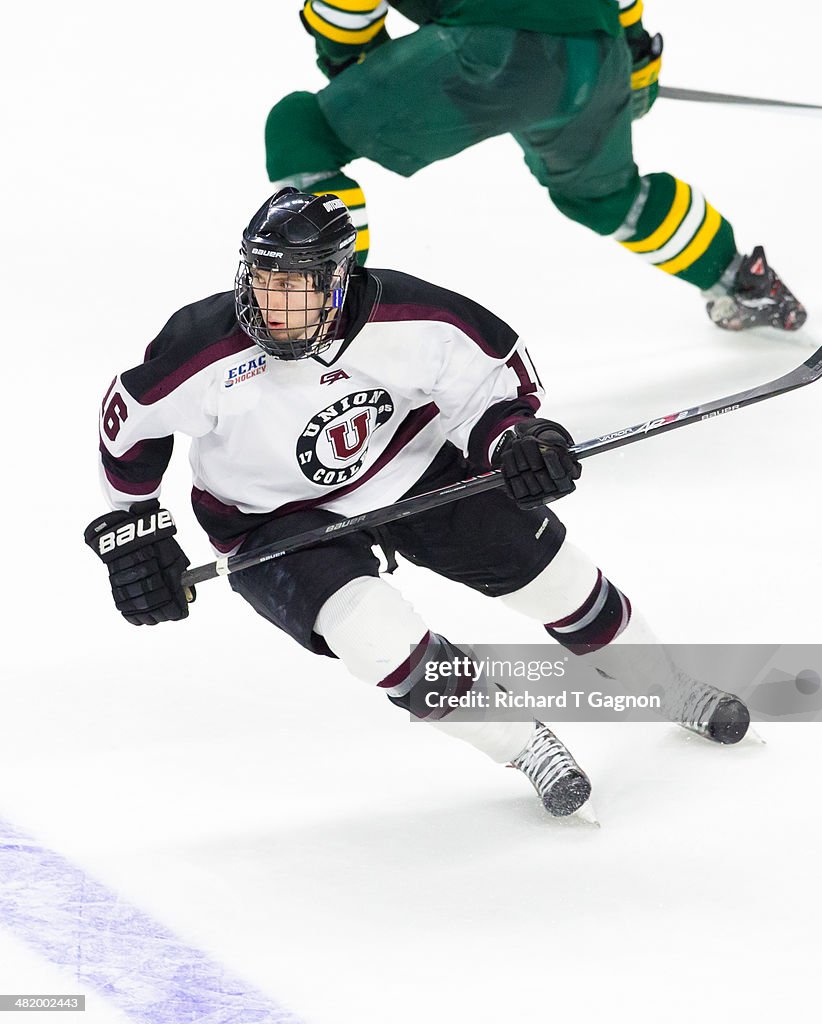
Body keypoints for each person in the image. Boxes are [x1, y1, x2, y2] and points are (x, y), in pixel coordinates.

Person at [84, 189, 751, 819]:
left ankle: (667, 684)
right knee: (372, 636)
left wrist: (517, 443)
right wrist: (135, 533)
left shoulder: (415, 317)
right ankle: (525, 747)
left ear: (338, 280)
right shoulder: (200, 345)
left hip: (412, 468)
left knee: (559, 580)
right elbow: (130, 428)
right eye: (263, 281)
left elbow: (494, 390)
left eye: (295, 285)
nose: (273, 304)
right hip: (268, 517)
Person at [263, 0, 805, 332]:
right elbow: (625, 15)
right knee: (606, 196)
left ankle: (327, 317)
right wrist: (636, 62)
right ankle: (739, 280)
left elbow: (346, 14)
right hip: (598, 51)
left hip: (487, 53)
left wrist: (354, 66)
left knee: (302, 130)